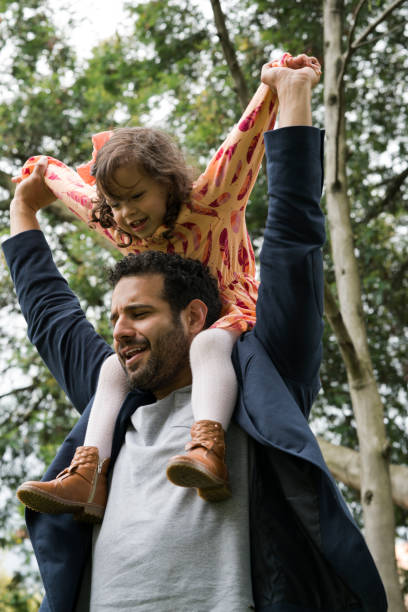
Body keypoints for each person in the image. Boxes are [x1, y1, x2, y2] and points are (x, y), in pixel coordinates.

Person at [3, 62, 387, 611]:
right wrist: (23, 208)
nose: (119, 331)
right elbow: (50, 315)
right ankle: (87, 479)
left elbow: (294, 236)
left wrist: (292, 96)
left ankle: (204, 451)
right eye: (114, 317)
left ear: (192, 317)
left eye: (138, 313)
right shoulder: (113, 403)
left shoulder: (262, 379)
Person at [14, 53, 322, 517]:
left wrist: (281, 87)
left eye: (136, 196)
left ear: (167, 181)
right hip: (184, 340)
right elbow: (72, 196)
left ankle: (208, 447)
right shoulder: (123, 230)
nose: (126, 214)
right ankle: (88, 474)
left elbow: (245, 148)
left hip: (231, 311)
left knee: (207, 347)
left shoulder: (211, 202)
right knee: (111, 370)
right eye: (115, 204)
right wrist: (35, 181)